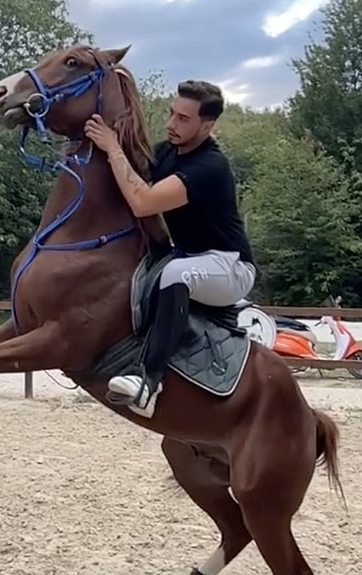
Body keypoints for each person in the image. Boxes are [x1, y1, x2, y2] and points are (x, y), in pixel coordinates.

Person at [84, 79, 256, 419]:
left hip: (229, 266)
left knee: (176, 273)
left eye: (183, 119)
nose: (171, 124)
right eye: (172, 113)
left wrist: (113, 148)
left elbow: (142, 201)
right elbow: (130, 177)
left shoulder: (209, 168)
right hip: (193, 258)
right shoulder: (168, 152)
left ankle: (148, 381)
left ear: (207, 126)